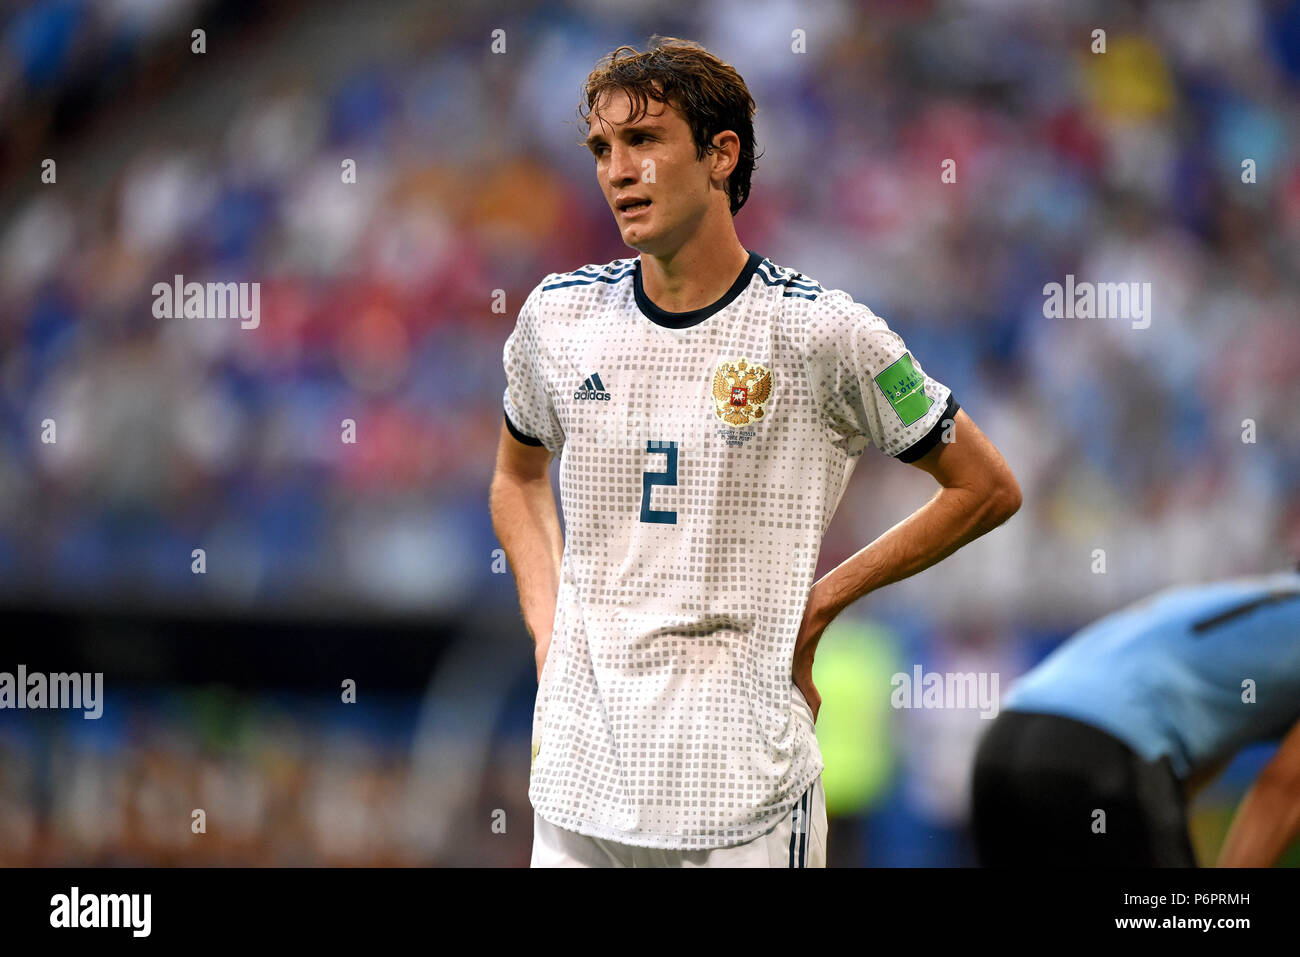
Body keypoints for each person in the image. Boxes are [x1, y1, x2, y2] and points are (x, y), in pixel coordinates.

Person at [489, 37, 1020, 868]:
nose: (618, 170)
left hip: (738, 798)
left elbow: (985, 486)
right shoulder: (558, 318)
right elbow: (515, 477)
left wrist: (821, 604)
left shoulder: (820, 332)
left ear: (719, 154)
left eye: (645, 141)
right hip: (577, 790)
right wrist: (547, 623)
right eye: (603, 149)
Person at [971, 568, 1300, 867]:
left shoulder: (1252, 596)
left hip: (1002, 742)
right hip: (1106, 746)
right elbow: (1287, 787)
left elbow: (1208, 740)